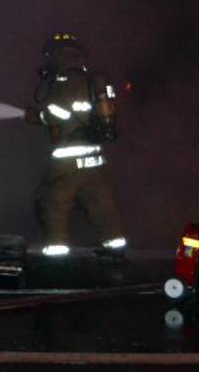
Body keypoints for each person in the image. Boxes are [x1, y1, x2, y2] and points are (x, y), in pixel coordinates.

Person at [24, 32, 127, 259]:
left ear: (60, 55)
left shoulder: (66, 81)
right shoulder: (89, 80)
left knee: (52, 201)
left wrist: (35, 117)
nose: (46, 60)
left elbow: (55, 113)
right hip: (95, 157)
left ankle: (56, 255)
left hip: (68, 161)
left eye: (49, 55)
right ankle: (116, 248)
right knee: (101, 205)